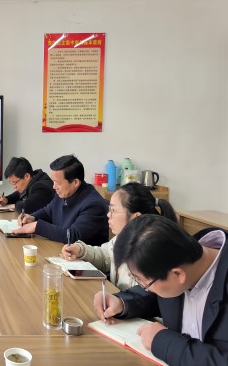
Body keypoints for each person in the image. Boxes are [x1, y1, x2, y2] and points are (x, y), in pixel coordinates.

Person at [95, 215, 228, 366]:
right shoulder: (178, 258)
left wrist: (163, 342)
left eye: (144, 281)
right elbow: (159, 296)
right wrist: (121, 302)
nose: (144, 286)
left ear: (178, 274)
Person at [61, 182, 177, 290]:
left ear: (136, 217)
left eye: (113, 210)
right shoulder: (122, 237)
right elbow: (106, 256)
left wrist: (119, 300)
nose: (108, 214)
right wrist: (81, 250)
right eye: (109, 209)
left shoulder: (151, 250)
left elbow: (144, 295)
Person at [12, 154, 108, 246]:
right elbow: (48, 211)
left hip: (81, 256)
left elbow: (73, 236)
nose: (54, 187)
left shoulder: (94, 205)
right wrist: (32, 217)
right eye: (53, 182)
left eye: (57, 183)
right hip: (59, 249)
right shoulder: (65, 192)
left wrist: (36, 226)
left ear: (75, 182)